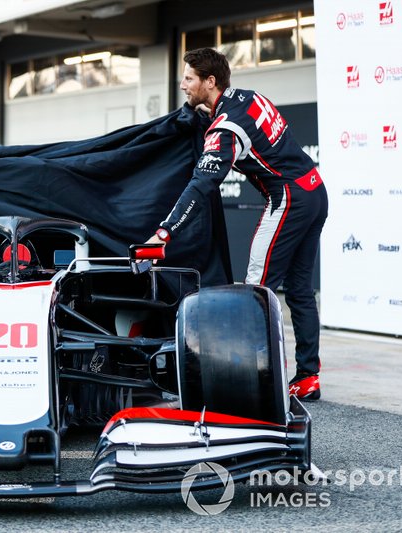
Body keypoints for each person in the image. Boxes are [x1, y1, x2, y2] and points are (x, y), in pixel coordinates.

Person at [146, 48, 328, 401]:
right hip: (315, 191)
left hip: (288, 197)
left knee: (255, 294)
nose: (182, 85)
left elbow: (201, 184)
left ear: (209, 81)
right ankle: (307, 377)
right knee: (301, 291)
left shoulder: (226, 128)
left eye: (189, 78)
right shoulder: (248, 97)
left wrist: (163, 233)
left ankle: (254, 383)